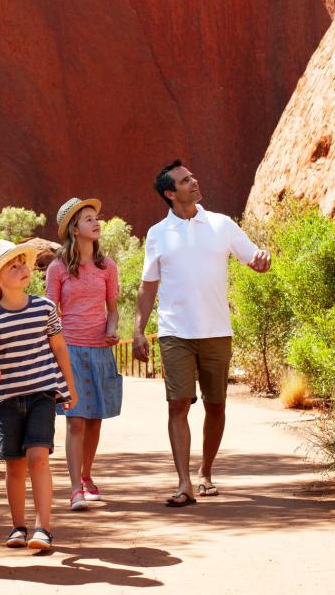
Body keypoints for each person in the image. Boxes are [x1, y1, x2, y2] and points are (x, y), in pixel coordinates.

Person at [132, 160, 270, 507]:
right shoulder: (157, 234)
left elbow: (252, 257)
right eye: (184, 180)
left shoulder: (221, 225)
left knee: (216, 405)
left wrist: (261, 261)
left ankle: (205, 471)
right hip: (175, 331)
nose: (193, 182)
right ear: (169, 193)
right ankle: (183, 484)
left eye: (192, 177)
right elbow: (148, 288)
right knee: (178, 403)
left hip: (217, 331)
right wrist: (138, 332)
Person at [0, 239, 78, 550]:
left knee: (38, 457)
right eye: (14, 266)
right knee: (14, 464)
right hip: (7, 399)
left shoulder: (44, 308)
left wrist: (69, 387)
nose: (24, 269)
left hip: (41, 394)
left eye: (24, 263)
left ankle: (43, 528)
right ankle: (18, 527)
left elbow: (59, 348)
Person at [45, 198, 123, 511]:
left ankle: (87, 476)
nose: (96, 222)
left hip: (100, 350)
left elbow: (113, 310)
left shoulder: (108, 266)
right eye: (88, 219)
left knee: (95, 420)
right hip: (70, 350)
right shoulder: (58, 267)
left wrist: (112, 329)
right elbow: (50, 313)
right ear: (74, 229)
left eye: (96, 218)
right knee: (75, 420)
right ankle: (75, 488)